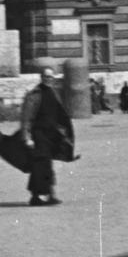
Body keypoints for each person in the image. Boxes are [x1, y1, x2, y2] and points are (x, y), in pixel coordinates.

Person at [20, 61, 74, 206]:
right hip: (38, 135)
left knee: (47, 165)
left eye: (50, 77)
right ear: (41, 77)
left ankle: (49, 195)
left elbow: (60, 114)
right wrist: (27, 137)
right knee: (40, 165)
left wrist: (64, 132)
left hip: (51, 136)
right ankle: (36, 196)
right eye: (45, 76)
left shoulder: (54, 93)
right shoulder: (34, 94)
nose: (48, 79)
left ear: (53, 78)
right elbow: (26, 118)